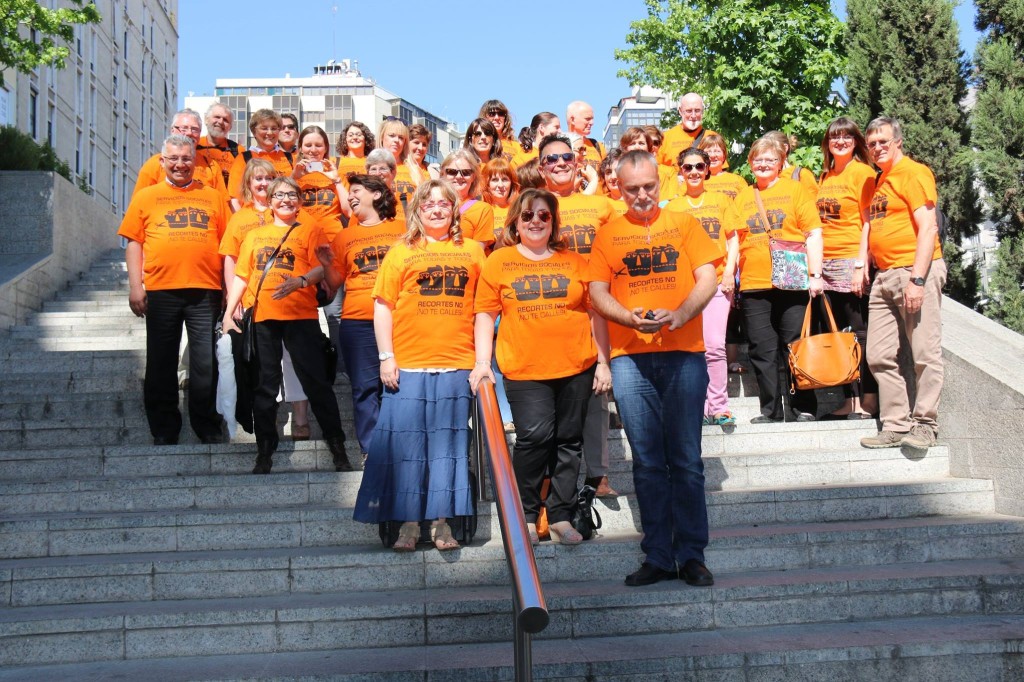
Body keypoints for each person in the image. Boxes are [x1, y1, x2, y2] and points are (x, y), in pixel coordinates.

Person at [586, 150, 719, 587]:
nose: (642, 195)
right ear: (617, 189)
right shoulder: (607, 233)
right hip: (630, 360)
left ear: (659, 183)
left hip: (684, 352)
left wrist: (680, 314)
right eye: (632, 189)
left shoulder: (683, 223)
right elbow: (597, 292)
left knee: (685, 460)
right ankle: (659, 555)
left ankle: (692, 555)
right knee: (646, 462)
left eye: (648, 187)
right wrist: (627, 317)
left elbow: (708, 277)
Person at [472, 188, 612, 545]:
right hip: (525, 369)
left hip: (576, 366)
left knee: (569, 441)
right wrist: (482, 363)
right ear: (515, 222)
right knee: (535, 438)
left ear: (553, 223)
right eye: (528, 215)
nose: (535, 221)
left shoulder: (574, 262)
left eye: (543, 216)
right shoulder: (498, 261)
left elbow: (596, 315)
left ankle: (562, 515)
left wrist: (603, 362)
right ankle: (526, 513)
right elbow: (486, 315)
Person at [353, 180, 486, 552]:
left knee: (448, 447)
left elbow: (483, 311)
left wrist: (480, 362)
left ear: (454, 209)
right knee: (408, 448)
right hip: (407, 365)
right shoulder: (401, 252)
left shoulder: (475, 252)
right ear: (417, 210)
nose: (437, 209)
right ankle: (409, 524)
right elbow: (383, 307)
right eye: (429, 204)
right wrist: (386, 357)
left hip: (456, 364)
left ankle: (442, 524)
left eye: (444, 203)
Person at [221, 177, 352, 474]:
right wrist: (229, 313)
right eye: (279, 195)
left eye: (292, 195)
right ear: (269, 200)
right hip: (264, 318)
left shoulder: (311, 229)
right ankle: (265, 450)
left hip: (301, 316)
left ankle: (337, 445)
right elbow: (242, 275)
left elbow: (322, 265)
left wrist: (302, 280)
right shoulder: (255, 236)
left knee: (316, 383)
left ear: (300, 201)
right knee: (265, 386)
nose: (286, 200)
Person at [118, 134, 227, 445]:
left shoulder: (213, 196)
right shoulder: (146, 196)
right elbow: (134, 243)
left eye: (186, 158)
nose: (181, 164)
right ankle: (164, 428)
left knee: (206, 363)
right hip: (160, 290)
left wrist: (228, 290)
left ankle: (206, 425)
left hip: (205, 290)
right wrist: (135, 287)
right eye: (174, 159)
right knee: (161, 361)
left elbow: (227, 247)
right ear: (162, 162)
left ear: (195, 162)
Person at [537, 133, 618, 498]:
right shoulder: (536, 205)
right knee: (557, 398)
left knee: (597, 394)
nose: (559, 164)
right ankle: (554, 476)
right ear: (541, 167)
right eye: (551, 159)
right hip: (555, 306)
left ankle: (598, 473)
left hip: (597, 305)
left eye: (565, 157)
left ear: (577, 161)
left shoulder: (601, 204)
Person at [859, 116, 946, 451]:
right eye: (872, 143)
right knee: (878, 355)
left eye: (883, 141)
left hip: (913, 270)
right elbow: (870, 226)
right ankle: (896, 424)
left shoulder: (913, 172)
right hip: (884, 275)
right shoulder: (875, 182)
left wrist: (918, 280)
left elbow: (928, 227)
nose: (877, 148)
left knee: (924, 353)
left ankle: (925, 424)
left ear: (897, 141)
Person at [733, 136, 824, 423]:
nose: (763, 164)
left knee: (795, 342)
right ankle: (770, 410)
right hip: (753, 282)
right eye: (757, 159)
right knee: (762, 348)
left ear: (781, 163)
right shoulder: (743, 197)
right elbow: (734, 238)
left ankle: (803, 407)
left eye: (770, 160)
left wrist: (815, 274)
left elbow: (813, 233)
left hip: (793, 278)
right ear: (750, 164)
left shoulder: (795, 190)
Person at [319, 174, 405, 463]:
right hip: (357, 321)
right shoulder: (344, 237)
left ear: (377, 194)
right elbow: (334, 284)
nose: (351, 196)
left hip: (400, 320)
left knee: (398, 385)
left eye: (356, 190)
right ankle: (370, 450)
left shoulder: (404, 230)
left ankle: (399, 446)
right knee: (365, 388)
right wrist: (323, 264)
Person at [665, 148, 740, 429]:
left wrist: (730, 272)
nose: (694, 172)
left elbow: (733, 240)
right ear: (680, 171)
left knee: (715, 347)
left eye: (699, 166)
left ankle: (719, 406)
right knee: (687, 349)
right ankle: (692, 406)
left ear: (707, 169)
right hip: (685, 288)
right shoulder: (672, 207)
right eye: (688, 167)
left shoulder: (721, 200)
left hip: (718, 281)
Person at [817, 116, 878, 420]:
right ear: (827, 143)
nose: (839, 142)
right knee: (839, 335)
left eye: (846, 137)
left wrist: (859, 264)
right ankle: (848, 400)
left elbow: (868, 222)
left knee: (861, 333)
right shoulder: (825, 177)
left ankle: (868, 398)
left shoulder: (863, 173)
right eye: (834, 137)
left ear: (856, 142)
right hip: (825, 265)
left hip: (850, 262)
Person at [132, 109, 227, 200]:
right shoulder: (154, 164)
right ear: (172, 130)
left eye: (194, 129)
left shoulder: (211, 166)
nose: (189, 133)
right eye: (184, 128)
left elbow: (222, 204)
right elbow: (139, 203)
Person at [227, 109, 296, 212]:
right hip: (253, 219)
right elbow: (235, 199)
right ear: (254, 131)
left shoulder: (290, 158)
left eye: (274, 128)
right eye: (264, 128)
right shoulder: (244, 159)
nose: (269, 132)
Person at [292, 125, 345, 229]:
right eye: (308, 145)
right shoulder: (293, 174)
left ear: (325, 148)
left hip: (332, 238)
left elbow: (349, 211)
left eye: (318, 145)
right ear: (301, 148)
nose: (313, 149)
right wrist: (293, 178)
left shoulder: (337, 175)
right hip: (302, 237)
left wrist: (337, 181)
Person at [439, 149, 495, 247]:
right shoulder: (431, 205)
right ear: (443, 174)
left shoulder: (483, 210)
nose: (459, 176)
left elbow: (477, 251)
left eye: (465, 172)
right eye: (452, 172)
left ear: (473, 176)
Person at [658, 93, 716, 168]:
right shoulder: (665, 138)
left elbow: (720, 172)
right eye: (689, 111)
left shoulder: (712, 137)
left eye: (697, 110)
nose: (693, 115)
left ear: (702, 111)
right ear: (680, 111)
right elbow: (657, 169)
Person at [198, 102, 244, 187]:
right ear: (206, 119)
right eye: (217, 117)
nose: (220, 121)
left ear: (230, 127)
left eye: (226, 120)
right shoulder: (195, 147)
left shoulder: (238, 151)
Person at [765, 130, 818, 199]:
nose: (766, 153)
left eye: (771, 148)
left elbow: (814, 205)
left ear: (785, 148)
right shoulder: (764, 177)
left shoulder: (801, 175)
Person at [481, 157, 520, 247]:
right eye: (494, 180)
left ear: (512, 183)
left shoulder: (519, 208)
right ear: (486, 183)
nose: (500, 185)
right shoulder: (480, 208)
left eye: (505, 179)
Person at [699, 133, 747, 200]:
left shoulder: (737, 180)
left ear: (724, 155)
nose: (712, 155)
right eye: (708, 152)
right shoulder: (695, 181)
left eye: (717, 151)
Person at [377, 118, 417, 201]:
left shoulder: (414, 170)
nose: (396, 140)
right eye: (392, 135)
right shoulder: (370, 167)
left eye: (401, 137)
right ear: (381, 137)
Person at [566, 100, 605, 172]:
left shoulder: (598, 146)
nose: (592, 123)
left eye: (592, 119)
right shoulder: (561, 146)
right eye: (587, 119)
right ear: (572, 120)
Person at [334, 121, 375, 186]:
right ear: (345, 139)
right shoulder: (335, 162)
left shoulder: (372, 162)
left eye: (359, 135)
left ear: (366, 139)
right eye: (350, 135)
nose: (355, 137)